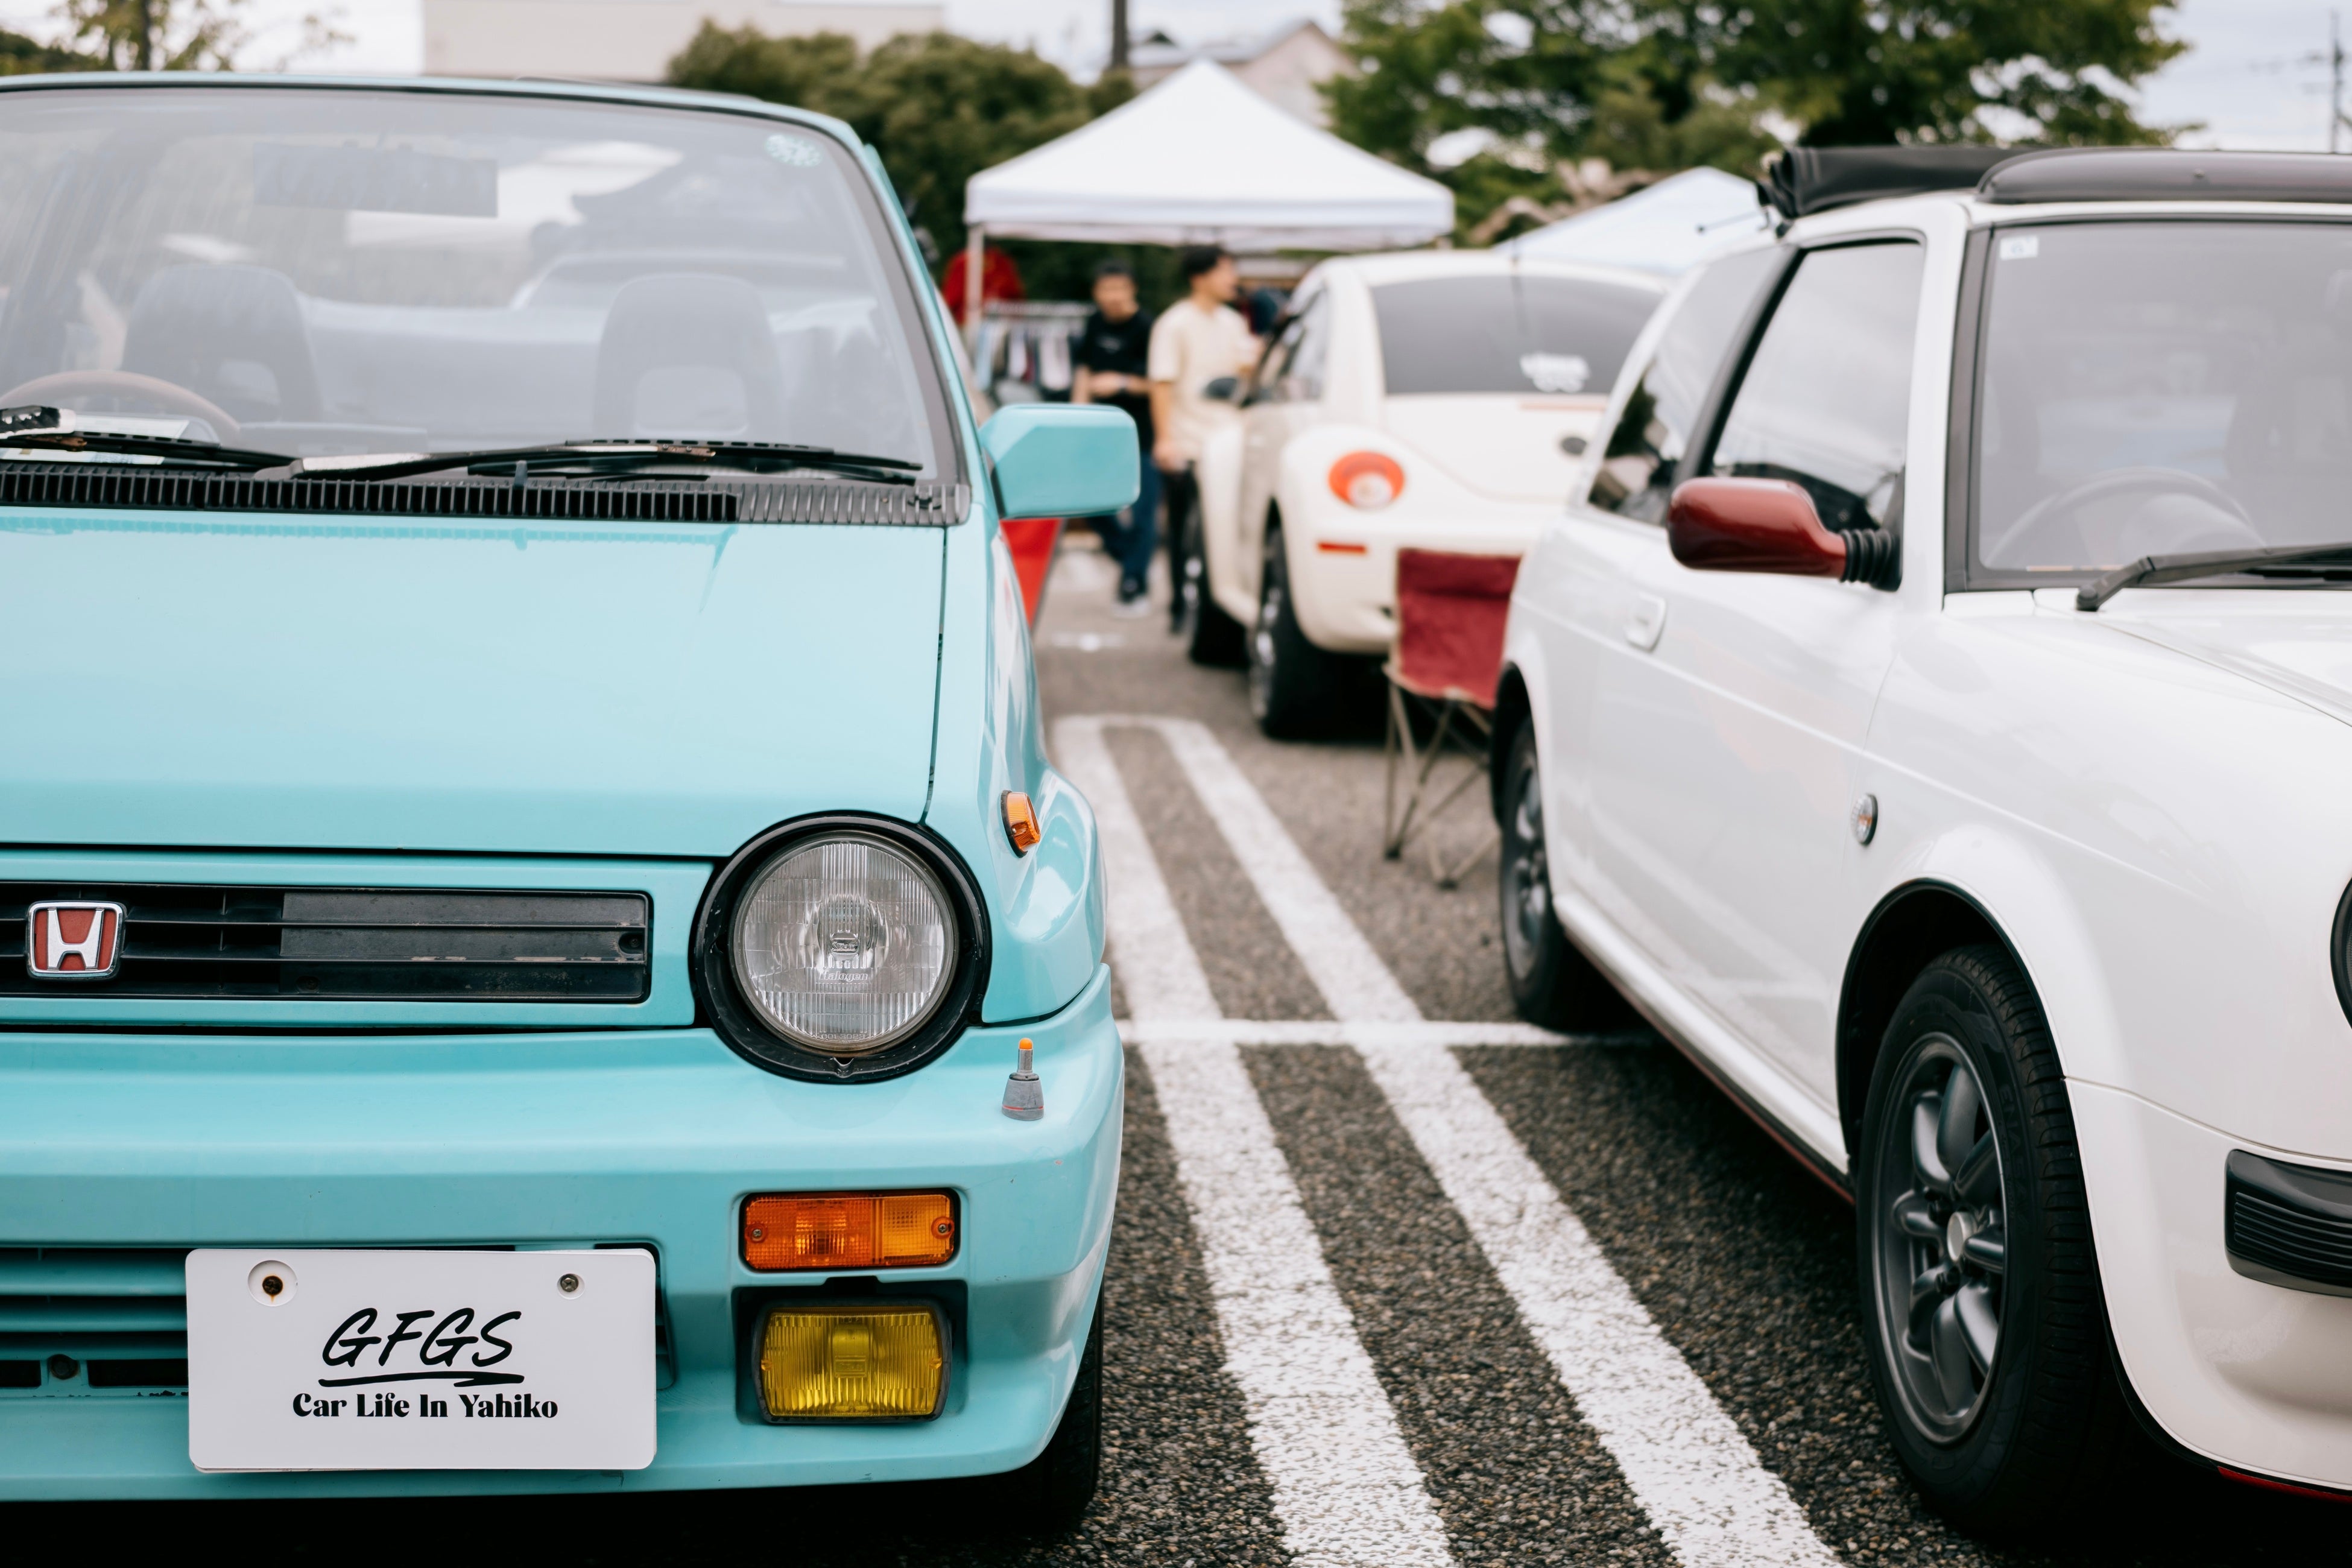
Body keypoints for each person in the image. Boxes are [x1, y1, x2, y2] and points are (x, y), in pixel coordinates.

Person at [1148, 245, 1260, 636]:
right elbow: (1161, 384)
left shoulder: (1233, 321)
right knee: (1182, 531)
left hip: (1227, 445)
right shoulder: (1175, 323)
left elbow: (1242, 373)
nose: (1232, 279)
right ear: (1200, 278)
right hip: (1188, 443)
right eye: (1225, 271)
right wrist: (1165, 440)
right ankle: (1179, 605)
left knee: (1221, 530)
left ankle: (1215, 606)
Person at [1071, 260, 1158, 615]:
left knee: (1143, 512)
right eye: (1106, 289)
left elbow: (1162, 384)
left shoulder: (1149, 328)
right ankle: (1130, 559)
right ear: (1096, 292)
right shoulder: (1094, 323)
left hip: (1142, 435)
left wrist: (1121, 383)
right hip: (1100, 435)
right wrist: (1077, 416)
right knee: (1089, 503)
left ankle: (1133, 584)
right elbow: (1084, 370)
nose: (1113, 296)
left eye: (1119, 288)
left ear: (1132, 289)